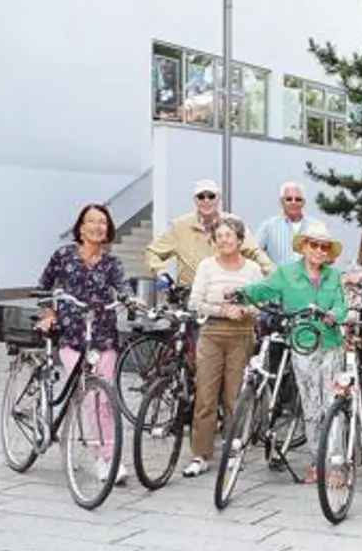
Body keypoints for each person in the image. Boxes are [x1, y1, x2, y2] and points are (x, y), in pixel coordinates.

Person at [231, 218, 346, 486]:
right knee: (311, 407)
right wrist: (238, 294)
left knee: (333, 405)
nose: (319, 250)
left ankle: (337, 464)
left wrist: (335, 315)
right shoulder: (286, 273)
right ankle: (317, 462)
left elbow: (342, 305)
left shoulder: (334, 276)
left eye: (324, 247)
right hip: (302, 345)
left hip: (330, 345)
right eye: (314, 245)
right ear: (304, 247)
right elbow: (262, 290)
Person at [37, 203, 137, 485]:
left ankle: (106, 458)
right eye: (91, 221)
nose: (97, 226)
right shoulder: (64, 256)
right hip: (71, 337)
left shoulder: (112, 263)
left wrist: (132, 299)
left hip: (103, 338)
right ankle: (96, 451)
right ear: (80, 227)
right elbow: (44, 286)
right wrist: (49, 312)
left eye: (102, 222)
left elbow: (124, 288)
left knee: (103, 399)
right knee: (86, 398)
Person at [183, 215, 264, 478]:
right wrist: (220, 310)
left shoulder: (252, 269)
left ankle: (233, 449)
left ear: (240, 239)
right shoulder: (207, 266)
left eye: (230, 235)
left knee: (234, 397)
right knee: (205, 396)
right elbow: (194, 302)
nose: (224, 240)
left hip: (241, 334)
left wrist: (244, 310)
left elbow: (260, 303)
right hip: (212, 333)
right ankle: (200, 454)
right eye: (219, 236)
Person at [145, 179, 274, 286]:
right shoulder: (179, 226)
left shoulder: (233, 223)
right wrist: (161, 272)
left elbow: (255, 253)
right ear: (195, 200)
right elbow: (153, 252)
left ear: (218, 199)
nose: (206, 201)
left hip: (225, 296)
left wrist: (276, 275)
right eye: (201, 196)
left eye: (211, 196)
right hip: (189, 298)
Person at [255, 181, 324, 269]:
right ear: (281, 202)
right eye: (289, 199)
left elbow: (328, 255)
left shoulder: (316, 226)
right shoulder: (269, 226)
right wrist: (268, 268)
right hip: (278, 280)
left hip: (308, 281)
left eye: (298, 199)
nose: (293, 202)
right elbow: (254, 251)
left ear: (304, 203)